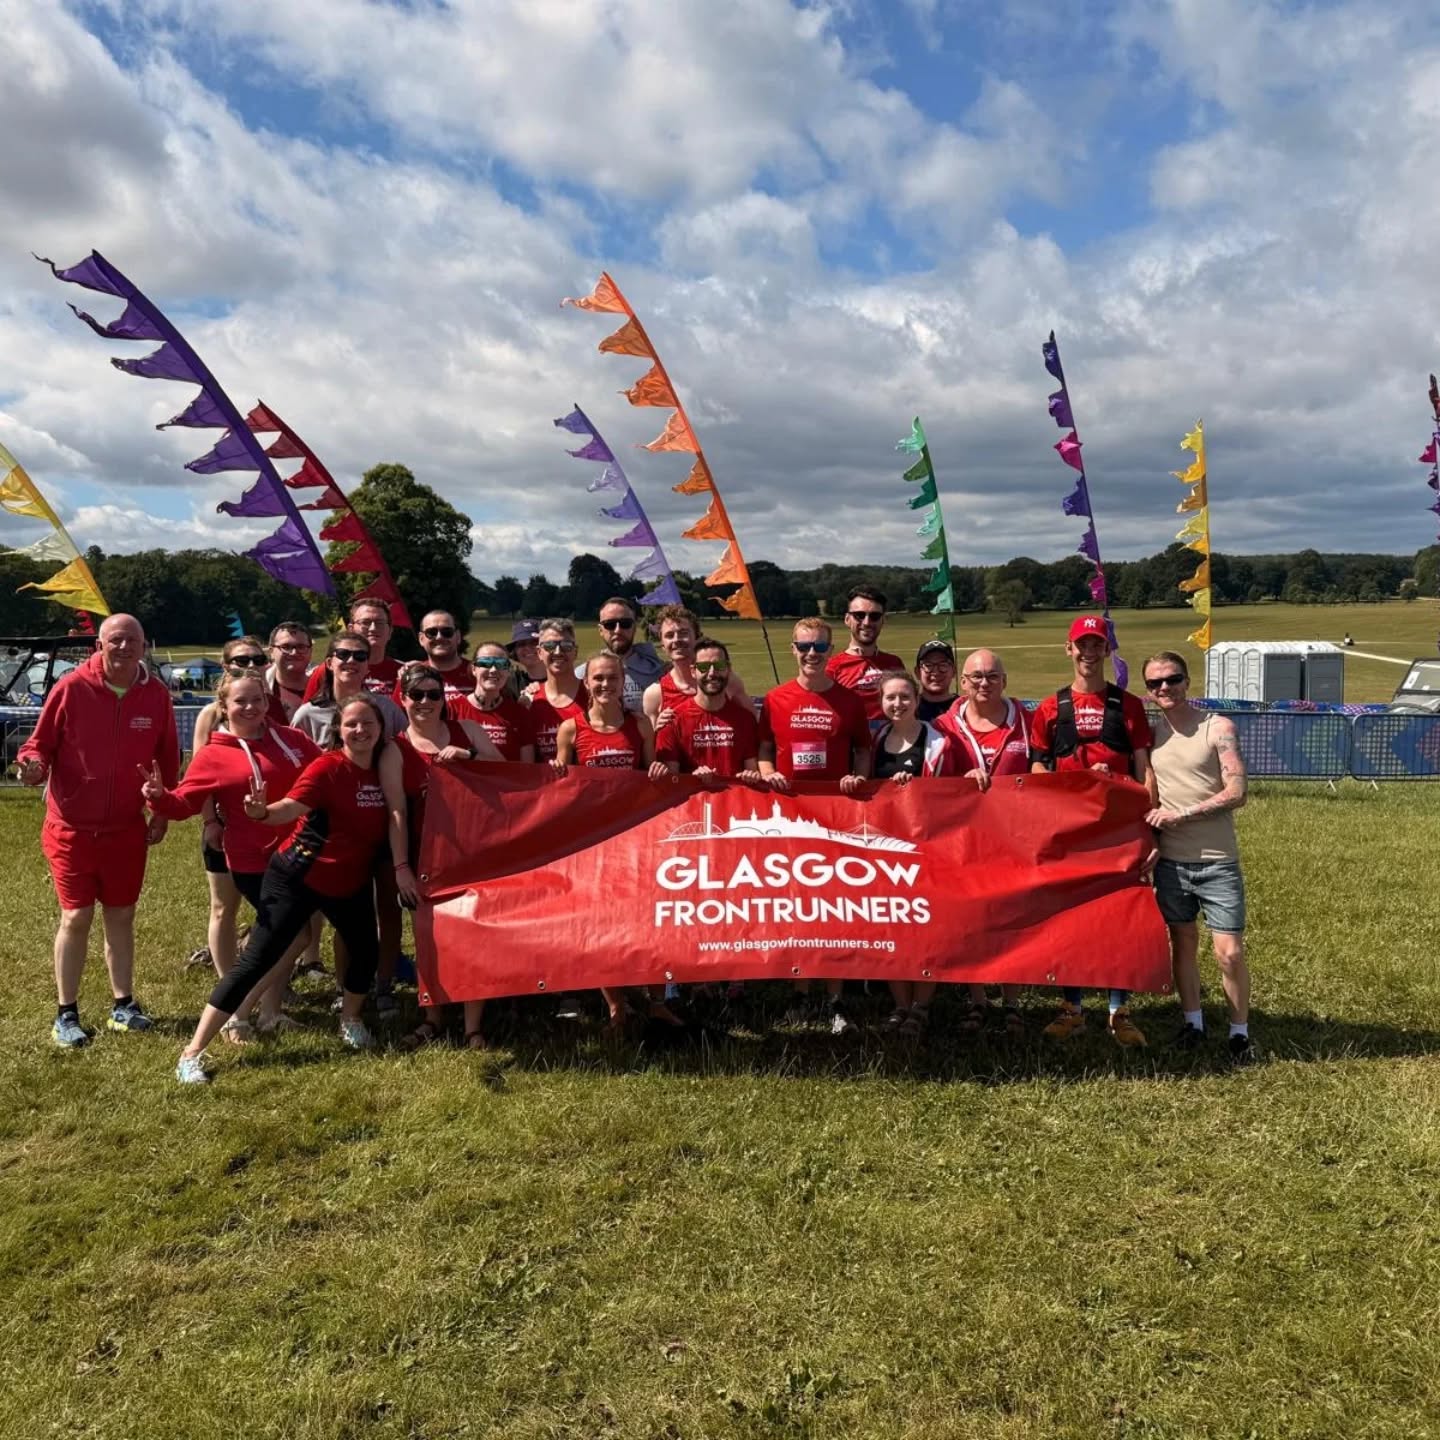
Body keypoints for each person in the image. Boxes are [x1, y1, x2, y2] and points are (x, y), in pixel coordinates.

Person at [173, 694, 414, 1084]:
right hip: (297, 875)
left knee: (366, 951)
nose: (360, 730)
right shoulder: (326, 767)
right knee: (256, 960)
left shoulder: (383, 769)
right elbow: (289, 806)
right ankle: (192, 1052)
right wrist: (262, 813)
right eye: (351, 724)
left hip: (349, 881)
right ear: (338, 730)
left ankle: (350, 1020)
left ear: (381, 728)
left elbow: (398, 812)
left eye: (368, 723)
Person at [17, 613, 179, 1047]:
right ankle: (65, 1013)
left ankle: (123, 1006)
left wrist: (161, 810)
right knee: (76, 916)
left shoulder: (155, 695)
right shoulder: (71, 688)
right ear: (99, 646)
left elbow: (167, 757)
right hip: (70, 828)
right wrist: (32, 766)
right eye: (116, 640)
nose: (124, 647)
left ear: (143, 646)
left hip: (126, 829)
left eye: (132, 640)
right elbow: (38, 744)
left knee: (121, 915)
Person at [140, 671, 321, 1038]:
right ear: (223, 706)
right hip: (254, 861)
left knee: (293, 935)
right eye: (240, 701)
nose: (250, 707)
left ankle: (270, 1012)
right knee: (288, 936)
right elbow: (184, 803)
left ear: (267, 701)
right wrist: (158, 797)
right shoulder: (213, 754)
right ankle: (237, 1014)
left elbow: (325, 774)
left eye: (257, 699)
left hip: (297, 854)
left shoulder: (292, 739)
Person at [1030, 615, 1156, 1047]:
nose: (1088, 652)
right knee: (1070, 919)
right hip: (1071, 832)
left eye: (1097, 644)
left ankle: (1119, 1012)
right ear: (1068, 649)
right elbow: (1038, 767)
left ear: (1107, 650)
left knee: (1121, 918)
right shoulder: (1051, 707)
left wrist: (1148, 826)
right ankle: (1073, 1008)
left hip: (1119, 831)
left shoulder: (1128, 705)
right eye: (1081, 644)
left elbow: (1144, 770)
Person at [759, 618, 872, 1034]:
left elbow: (863, 750)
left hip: (836, 817)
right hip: (789, 815)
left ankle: (835, 997)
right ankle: (800, 993)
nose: (812, 654)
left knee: (834, 907)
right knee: (796, 905)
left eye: (820, 647)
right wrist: (769, 773)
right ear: (792, 649)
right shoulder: (775, 699)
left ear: (830, 650)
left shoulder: (849, 701)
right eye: (804, 646)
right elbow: (764, 749)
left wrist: (858, 779)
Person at [1142, 651, 1254, 1064]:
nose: (1164, 688)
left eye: (1172, 679)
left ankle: (1239, 1032)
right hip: (1171, 862)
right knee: (1182, 943)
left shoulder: (1217, 727)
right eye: (1155, 683)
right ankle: (1193, 1023)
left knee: (1230, 952)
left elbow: (1237, 791)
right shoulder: (1151, 736)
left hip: (1217, 860)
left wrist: (1182, 815)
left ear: (1187, 681)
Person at [553, 651, 676, 1030]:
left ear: (624, 682)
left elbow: (653, 774)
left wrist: (657, 770)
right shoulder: (571, 729)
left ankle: (657, 1003)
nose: (606, 684)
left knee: (649, 921)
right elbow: (561, 788)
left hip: (638, 840)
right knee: (601, 926)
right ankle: (616, 1007)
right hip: (593, 844)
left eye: (613, 678)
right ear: (586, 683)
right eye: (599, 678)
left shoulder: (640, 725)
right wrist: (556, 772)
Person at [393, 663, 502, 1052]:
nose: (425, 702)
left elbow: (505, 769)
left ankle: (473, 1026)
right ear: (403, 699)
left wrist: (469, 755)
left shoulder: (467, 730)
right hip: (425, 857)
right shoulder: (396, 747)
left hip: (472, 851)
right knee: (429, 939)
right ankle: (432, 1017)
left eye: (433, 695)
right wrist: (401, 867)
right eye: (416, 695)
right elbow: (396, 813)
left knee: (475, 935)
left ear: (444, 699)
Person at [937, 649, 1030, 1035]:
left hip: (1015, 838)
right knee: (972, 919)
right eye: (976, 676)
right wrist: (959, 784)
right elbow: (931, 783)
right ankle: (977, 999)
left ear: (1005, 681)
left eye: (992, 676)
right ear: (963, 682)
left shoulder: (1026, 720)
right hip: (966, 840)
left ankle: (1011, 1001)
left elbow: (1044, 767)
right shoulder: (943, 726)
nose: (984, 683)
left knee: (1013, 919)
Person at [186, 637, 280, 975]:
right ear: (226, 665)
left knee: (271, 908)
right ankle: (228, 981)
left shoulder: (269, 705)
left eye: (257, 659)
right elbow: (201, 774)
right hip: (225, 824)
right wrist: (211, 822)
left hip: (268, 824)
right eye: (241, 660)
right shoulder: (211, 714)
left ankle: (266, 974)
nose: (251, 665)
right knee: (224, 906)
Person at [871, 670, 956, 1037]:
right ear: (881, 702)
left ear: (917, 700)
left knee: (924, 929)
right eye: (890, 697)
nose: (898, 703)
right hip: (884, 850)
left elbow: (950, 795)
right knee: (890, 926)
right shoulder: (877, 738)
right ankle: (900, 1005)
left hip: (925, 849)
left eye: (905, 696)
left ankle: (921, 1006)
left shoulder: (937, 742)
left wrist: (917, 787)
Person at [656, 637, 761, 778]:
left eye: (719, 666)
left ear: (728, 669)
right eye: (704, 667)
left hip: (735, 793)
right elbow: (670, 781)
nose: (712, 673)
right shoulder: (672, 720)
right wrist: (693, 779)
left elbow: (753, 770)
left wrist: (751, 777)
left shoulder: (745, 719)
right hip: (693, 793)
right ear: (693, 671)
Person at [642, 604, 749, 731]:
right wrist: (658, 730)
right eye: (669, 635)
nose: (676, 640)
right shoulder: (655, 694)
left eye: (683, 633)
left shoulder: (726, 682)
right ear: (663, 645)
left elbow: (751, 723)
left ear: (697, 638)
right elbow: (648, 741)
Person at [291, 632, 406, 746]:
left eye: (360, 656)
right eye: (343, 654)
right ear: (329, 663)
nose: (351, 660)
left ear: (367, 667)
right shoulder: (308, 715)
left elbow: (408, 748)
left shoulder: (387, 709)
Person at [825, 585, 904, 724]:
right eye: (859, 615)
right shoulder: (831, 667)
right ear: (847, 619)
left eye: (874, 616)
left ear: (883, 620)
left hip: (890, 737)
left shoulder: (894, 664)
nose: (867, 622)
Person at [300, 598, 404, 702]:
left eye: (380, 623)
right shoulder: (330, 670)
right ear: (351, 629)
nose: (373, 628)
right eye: (365, 622)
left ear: (390, 631)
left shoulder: (402, 673)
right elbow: (309, 710)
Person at [577, 596, 665, 714]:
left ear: (634, 627)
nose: (618, 630)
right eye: (610, 624)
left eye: (625, 624)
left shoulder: (659, 671)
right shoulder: (581, 675)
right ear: (600, 630)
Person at [450, 642, 538, 761]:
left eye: (501, 664)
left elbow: (527, 767)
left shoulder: (520, 714)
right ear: (474, 669)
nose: (493, 670)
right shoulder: (452, 709)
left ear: (508, 671)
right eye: (485, 663)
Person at [527, 618, 589, 761]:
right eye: (549, 646)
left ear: (575, 652)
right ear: (539, 652)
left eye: (566, 646)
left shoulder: (592, 697)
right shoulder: (530, 700)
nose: (558, 652)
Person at [401, 610, 475, 704]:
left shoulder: (477, 674)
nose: (439, 637)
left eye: (447, 632)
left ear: (458, 637)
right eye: (431, 632)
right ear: (421, 639)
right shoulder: (410, 675)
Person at [264, 620, 315, 720]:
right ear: (271, 652)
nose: (294, 652)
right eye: (286, 647)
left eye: (301, 647)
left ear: (310, 651)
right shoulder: (261, 693)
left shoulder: (326, 687)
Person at [914, 639, 959, 721]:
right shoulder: (909, 708)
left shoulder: (965, 707)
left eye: (943, 665)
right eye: (928, 665)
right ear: (917, 672)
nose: (936, 672)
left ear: (954, 671)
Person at [506, 619, 547, 694]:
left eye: (534, 642)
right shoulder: (510, 683)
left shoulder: (564, 679)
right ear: (515, 652)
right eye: (521, 644)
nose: (528, 648)